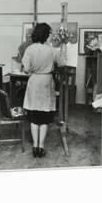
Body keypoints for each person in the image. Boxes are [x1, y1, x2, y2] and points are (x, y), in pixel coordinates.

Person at [22, 23, 66, 158]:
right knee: (44, 118)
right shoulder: (52, 50)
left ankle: (35, 147)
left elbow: (26, 69)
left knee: (34, 117)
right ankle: (41, 147)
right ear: (47, 35)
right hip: (47, 82)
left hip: (34, 82)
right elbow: (62, 64)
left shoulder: (30, 49)